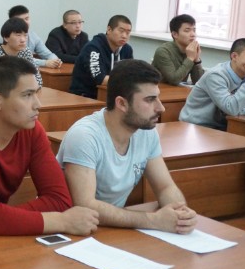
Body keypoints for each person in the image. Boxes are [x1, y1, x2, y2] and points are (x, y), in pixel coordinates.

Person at [0, 56, 99, 235]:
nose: (38, 104)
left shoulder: (31, 131)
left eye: (37, 93)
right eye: (27, 95)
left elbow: (60, 200)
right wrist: (62, 222)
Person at [58, 60, 197, 234]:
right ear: (122, 103)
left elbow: (165, 187)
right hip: (72, 232)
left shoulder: (147, 132)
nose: (160, 108)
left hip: (110, 229)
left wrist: (180, 214)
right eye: (150, 100)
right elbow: (86, 205)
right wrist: (153, 220)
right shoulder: (85, 136)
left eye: (158, 98)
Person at [179, 38, 245, 130]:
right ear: (234, 56)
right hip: (195, 126)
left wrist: (234, 110)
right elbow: (230, 108)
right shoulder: (216, 75)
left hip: (222, 127)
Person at [69, 14, 134, 98]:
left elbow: (132, 74)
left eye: (128, 32)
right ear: (109, 29)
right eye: (121, 31)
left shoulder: (127, 49)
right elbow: (100, 79)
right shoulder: (93, 48)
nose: (124, 36)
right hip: (84, 96)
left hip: (111, 95)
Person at [0, 17, 42, 87]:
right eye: (18, 35)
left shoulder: (26, 52)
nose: (23, 40)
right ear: (6, 38)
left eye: (25, 35)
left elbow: (38, 80)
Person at [152, 14, 204, 85]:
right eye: (187, 30)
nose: (193, 34)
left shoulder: (191, 51)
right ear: (175, 34)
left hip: (179, 91)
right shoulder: (163, 51)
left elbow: (200, 83)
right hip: (159, 90)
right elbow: (174, 80)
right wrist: (190, 58)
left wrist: (197, 60)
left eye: (194, 30)